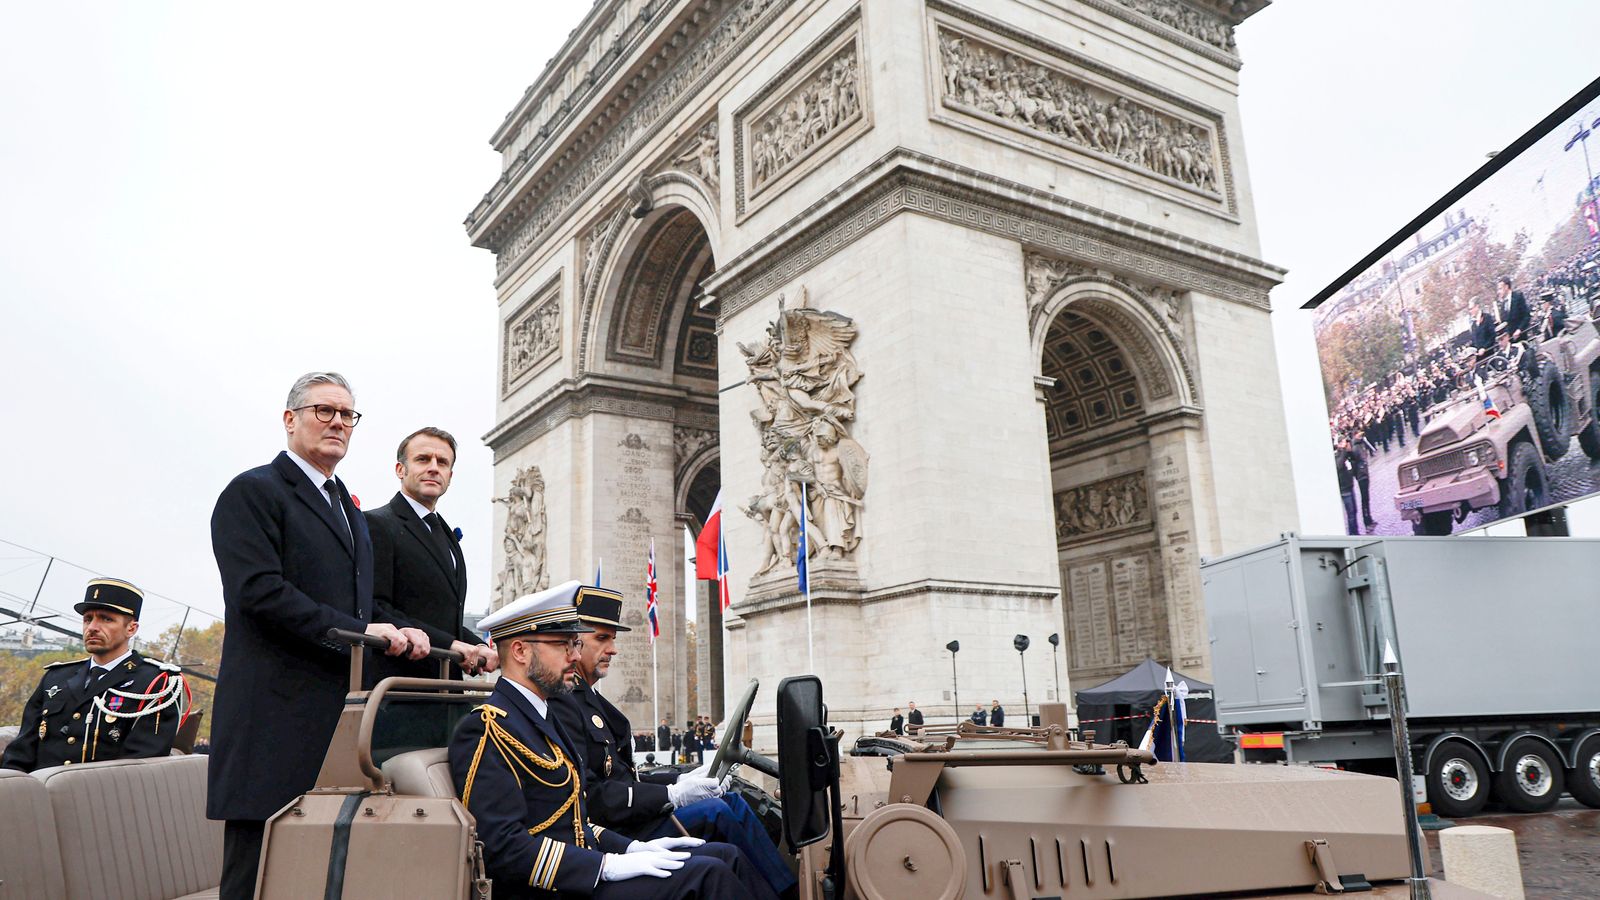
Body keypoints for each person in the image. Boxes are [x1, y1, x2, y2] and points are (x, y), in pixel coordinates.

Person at [209, 371, 432, 900]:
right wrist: (362, 631)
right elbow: (258, 593)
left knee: (316, 876)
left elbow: (363, 604)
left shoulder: (351, 512)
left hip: (339, 718)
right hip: (272, 718)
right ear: (290, 420)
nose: (337, 422)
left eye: (347, 415)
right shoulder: (253, 491)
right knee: (254, 873)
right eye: (323, 411)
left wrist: (400, 630)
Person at [451, 583, 770, 899]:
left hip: (581, 869)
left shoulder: (542, 716)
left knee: (723, 857)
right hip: (556, 886)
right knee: (708, 875)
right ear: (520, 651)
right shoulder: (486, 729)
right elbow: (501, 847)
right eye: (564, 645)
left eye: (576, 644)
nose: (575, 656)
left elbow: (576, 821)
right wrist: (605, 866)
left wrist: (633, 847)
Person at [549, 584, 793, 898]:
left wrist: (684, 776)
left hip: (631, 818)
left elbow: (627, 777)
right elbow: (595, 796)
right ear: (574, 642)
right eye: (602, 638)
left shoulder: (592, 700)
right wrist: (673, 793)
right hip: (619, 830)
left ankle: (785, 886)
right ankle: (788, 889)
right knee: (718, 811)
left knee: (730, 801)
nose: (613, 649)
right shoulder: (565, 704)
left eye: (613, 638)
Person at [2, 579, 186, 772]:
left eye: (106, 619)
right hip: (39, 795)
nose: (92, 627)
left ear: (131, 628)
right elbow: (20, 753)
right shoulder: (55, 678)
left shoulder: (157, 683)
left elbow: (140, 766)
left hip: (103, 798)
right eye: (88, 619)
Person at [366, 427, 497, 686]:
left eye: (442, 462)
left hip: (447, 687)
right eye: (423, 459)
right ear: (400, 470)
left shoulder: (446, 534)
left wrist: (475, 645)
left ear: (450, 475)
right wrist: (449, 644)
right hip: (399, 687)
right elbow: (375, 608)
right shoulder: (376, 524)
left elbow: (443, 616)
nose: (434, 468)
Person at [1335, 437, 1360, 535]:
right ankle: (1353, 535)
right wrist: (1343, 450)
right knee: (1350, 514)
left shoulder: (1346, 453)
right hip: (1344, 489)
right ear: (1339, 444)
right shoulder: (1337, 455)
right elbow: (1339, 466)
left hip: (1350, 486)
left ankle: (1356, 532)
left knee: (1354, 511)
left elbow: (1354, 458)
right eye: (1344, 442)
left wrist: (1349, 449)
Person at [1499, 276, 1531, 343]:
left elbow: (1526, 316)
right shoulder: (1503, 304)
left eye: (1500, 289)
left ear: (1506, 287)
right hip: (1510, 341)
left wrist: (1519, 330)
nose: (1498, 292)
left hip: (1521, 338)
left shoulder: (1518, 297)